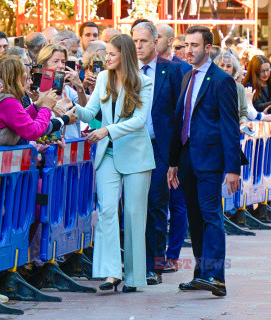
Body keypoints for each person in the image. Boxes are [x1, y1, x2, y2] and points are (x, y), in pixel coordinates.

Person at [75, 34, 154, 293]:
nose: (106, 58)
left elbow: (139, 121)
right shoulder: (102, 78)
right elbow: (90, 113)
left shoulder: (144, 82)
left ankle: (133, 277)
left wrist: (107, 130)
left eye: (111, 54)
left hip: (135, 154)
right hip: (107, 153)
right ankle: (111, 273)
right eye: (106, 53)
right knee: (107, 211)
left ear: (125, 55)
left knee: (133, 214)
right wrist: (72, 106)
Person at [167, 25, 240, 297]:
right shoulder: (187, 77)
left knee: (210, 215)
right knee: (195, 219)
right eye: (186, 45)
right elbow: (179, 122)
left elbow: (230, 126)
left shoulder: (222, 80)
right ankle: (201, 273)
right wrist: (173, 162)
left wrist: (232, 168)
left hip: (210, 160)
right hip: (186, 159)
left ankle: (216, 277)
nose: (189, 50)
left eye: (194, 45)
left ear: (208, 48)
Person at [132, 22, 184, 285]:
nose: (138, 46)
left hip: (160, 148)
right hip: (131, 148)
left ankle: (154, 265)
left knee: (156, 203)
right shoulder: (124, 72)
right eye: (135, 41)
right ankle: (135, 262)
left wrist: (177, 155)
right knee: (133, 206)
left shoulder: (172, 71)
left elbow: (179, 114)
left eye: (143, 41)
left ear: (155, 42)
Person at [0, 55, 58, 146]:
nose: (27, 77)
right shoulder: (7, 101)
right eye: (26, 73)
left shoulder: (2, 94)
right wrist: (46, 108)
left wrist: (37, 105)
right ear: (17, 76)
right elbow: (32, 131)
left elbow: (19, 120)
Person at [37, 44, 87, 139]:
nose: (60, 66)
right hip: (48, 145)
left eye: (63, 62)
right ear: (44, 65)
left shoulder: (67, 89)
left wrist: (79, 86)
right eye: (55, 62)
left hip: (72, 144)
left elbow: (84, 108)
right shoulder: (36, 90)